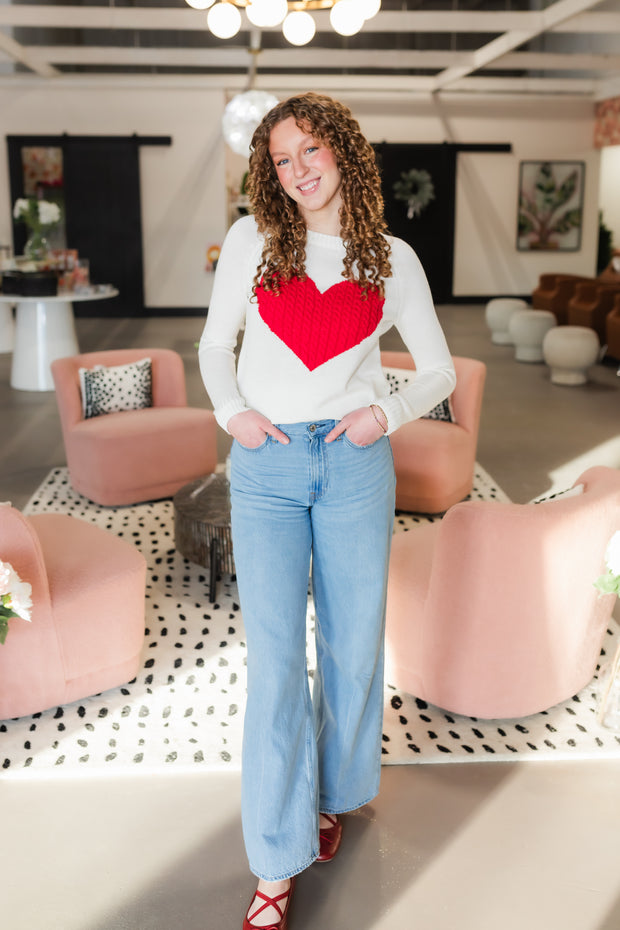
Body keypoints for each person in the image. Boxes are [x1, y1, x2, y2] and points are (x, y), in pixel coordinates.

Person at [199, 92, 456, 930]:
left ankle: (335, 795)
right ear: (269, 172)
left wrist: (383, 413)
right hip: (266, 463)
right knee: (276, 662)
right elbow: (214, 345)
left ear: (342, 149)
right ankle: (275, 863)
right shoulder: (252, 241)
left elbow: (437, 370)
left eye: (310, 149)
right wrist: (231, 410)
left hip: (353, 464)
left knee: (351, 646)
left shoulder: (393, 259)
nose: (298, 170)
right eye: (281, 159)